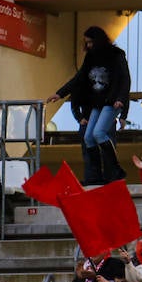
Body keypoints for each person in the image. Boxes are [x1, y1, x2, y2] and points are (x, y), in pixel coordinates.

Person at [45, 26, 131, 185]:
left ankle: (115, 170)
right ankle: (96, 175)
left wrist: (120, 99)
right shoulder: (90, 58)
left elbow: (125, 79)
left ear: (98, 41)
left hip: (112, 101)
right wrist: (60, 93)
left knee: (99, 133)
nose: (89, 46)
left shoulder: (116, 56)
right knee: (88, 138)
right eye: (87, 43)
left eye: (91, 42)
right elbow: (79, 78)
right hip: (97, 103)